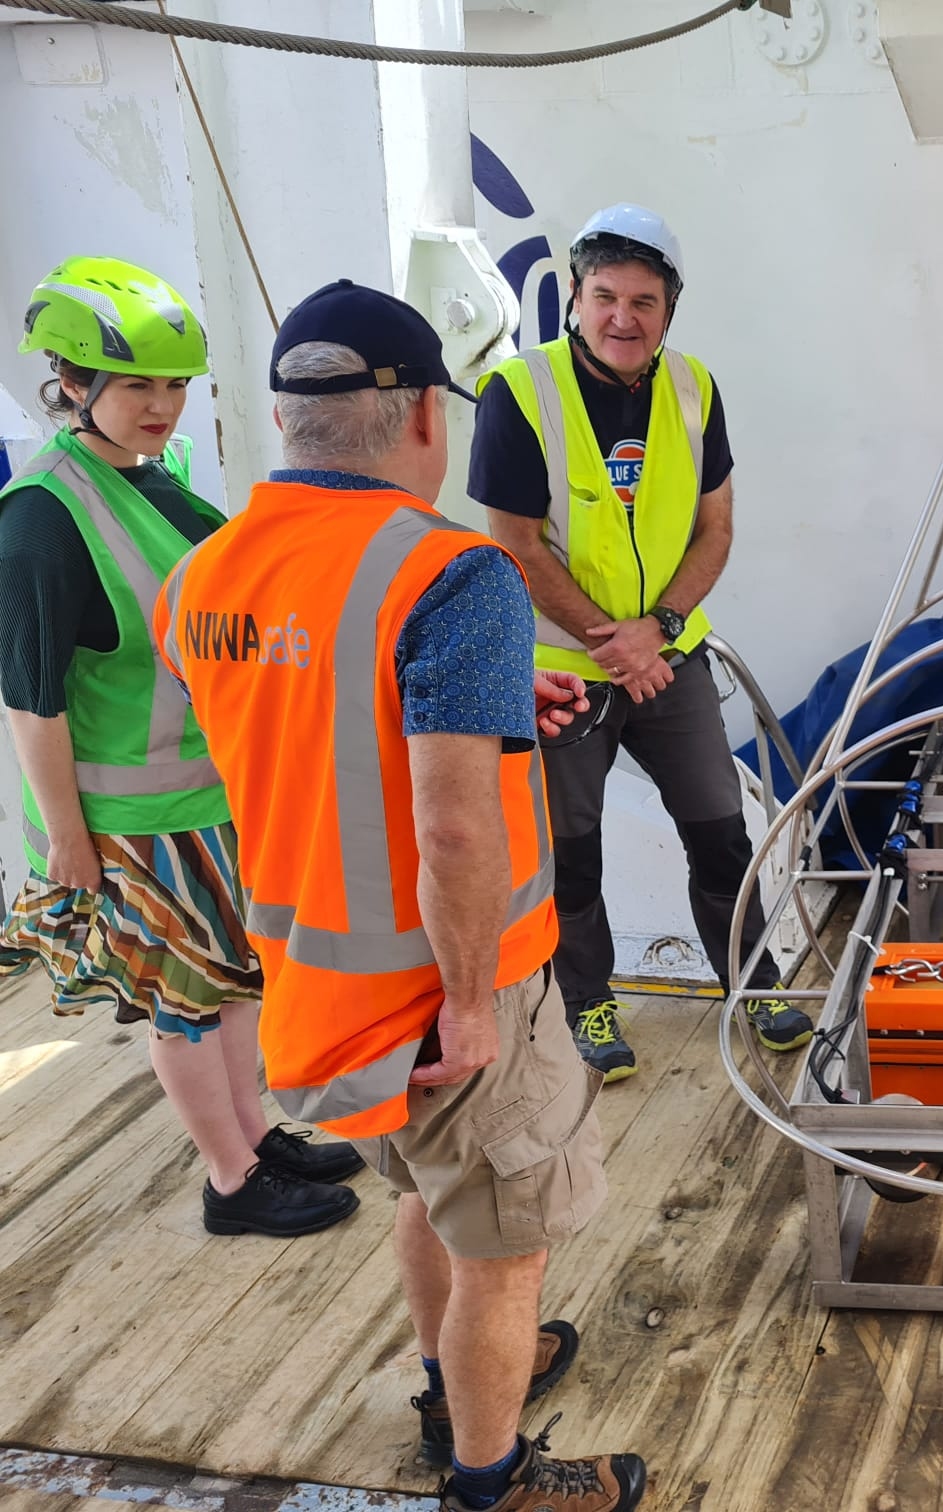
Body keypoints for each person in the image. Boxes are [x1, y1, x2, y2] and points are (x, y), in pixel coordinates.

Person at [153, 279, 643, 1512]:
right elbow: (453, 825)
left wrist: (488, 700)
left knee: (428, 1195)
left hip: (317, 990)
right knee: (506, 1254)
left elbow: (305, 717)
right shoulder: (450, 572)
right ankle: (493, 1476)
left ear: (283, 418)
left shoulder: (201, 575)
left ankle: (447, 1382)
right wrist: (473, 1005)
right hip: (445, 998)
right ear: (428, 414)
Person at [0, 256, 361, 1237]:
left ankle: (255, 1135)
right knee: (186, 1002)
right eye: (136, 385)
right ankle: (231, 1179)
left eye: (174, 383)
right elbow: (30, 700)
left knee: (231, 979)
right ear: (71, 381)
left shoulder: (152, 480)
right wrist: (67, 840)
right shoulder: (41, 519)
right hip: (129, 818)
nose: (162, 405)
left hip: (205, 796)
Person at [468, 203, 812, 1082]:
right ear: (575, 296)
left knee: (720, 831)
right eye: (606, 297)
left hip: (668, 657)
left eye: (644, 302)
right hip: (559, 672)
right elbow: (514, 543)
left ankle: (754, 984)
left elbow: (716, 527)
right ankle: (586, 1002)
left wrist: (655, 632)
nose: (623, 318)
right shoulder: (519, 391)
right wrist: (610, 643)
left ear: (670, 308)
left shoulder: (694, 388)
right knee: (571, 853)